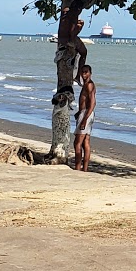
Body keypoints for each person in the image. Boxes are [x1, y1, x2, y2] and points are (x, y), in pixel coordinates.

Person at [48, 14, 89, 161]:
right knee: (82, 51)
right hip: (66, 42)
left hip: (67, 44)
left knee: (83, 52)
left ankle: (77, 75)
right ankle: (58, 151)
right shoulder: (69, 34)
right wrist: (78, 27)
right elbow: (73, 36)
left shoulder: (67, 32)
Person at [73, 64, 96, 171]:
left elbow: (92, 103)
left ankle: (78, 167)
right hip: (85, 113)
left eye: (86, 72)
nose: (84, 74)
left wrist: (84, 120)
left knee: (77, 143)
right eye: (82, 72)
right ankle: (84, 169)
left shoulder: (89, 85)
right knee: (85, 142)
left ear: (90, 73)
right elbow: (85, 102)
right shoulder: (86, 85)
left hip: (86, 115)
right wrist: (79, 112)